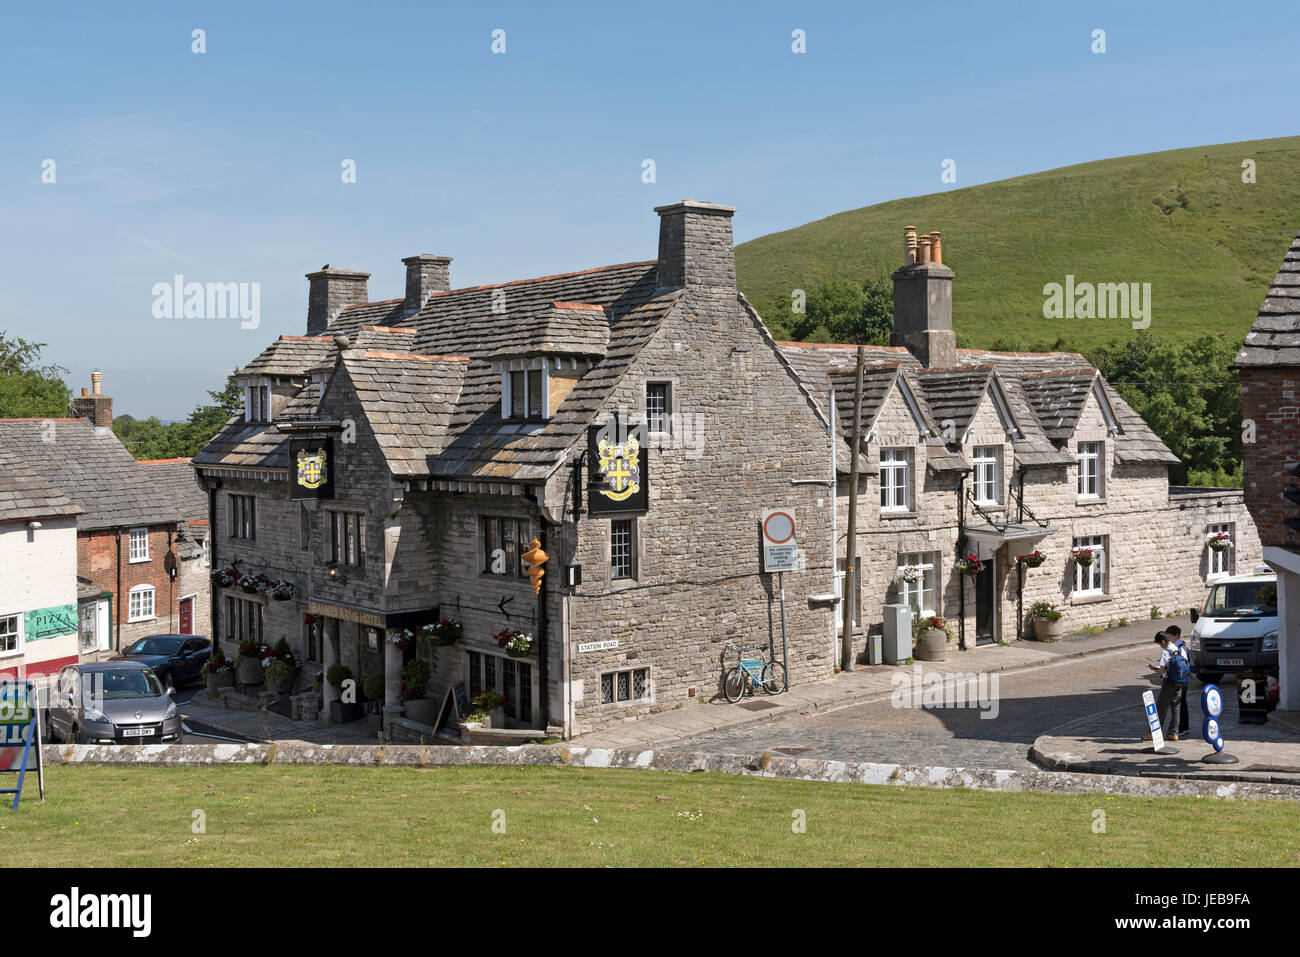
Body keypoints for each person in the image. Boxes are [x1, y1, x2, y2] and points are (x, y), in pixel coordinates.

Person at [1147, 629, 1189, 740]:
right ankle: (1173, 733)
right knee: (1176, 707)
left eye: (1159, 644)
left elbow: (1161, 670)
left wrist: (1153, 668)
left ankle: (1153, 734)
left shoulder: (1166, 652)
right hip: (1180, 681)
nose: (1160, 646)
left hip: (1169, 682)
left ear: (1163, 642)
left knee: (1160, 708)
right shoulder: (1178, 648)